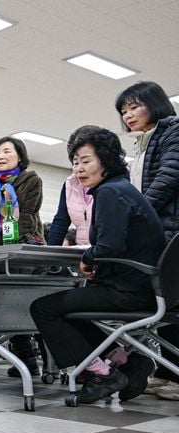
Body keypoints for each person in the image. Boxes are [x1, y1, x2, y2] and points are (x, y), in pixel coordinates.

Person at [31, 125, 164, 403]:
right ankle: (124, 361)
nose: (78, 169)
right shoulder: (121, 189)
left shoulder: (110, 193)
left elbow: (109, 246)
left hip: (128, 291)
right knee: (67, 308)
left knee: (43, 308)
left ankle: (101, 374)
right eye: (75, 162)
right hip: (145, 287)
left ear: (107, 160)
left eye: (86, 160)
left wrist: (87, 258)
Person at [115, 81, 179, 401]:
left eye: (134, 107)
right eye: (124, 111)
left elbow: (167, 180)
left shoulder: (173, 132)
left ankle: (168, 372)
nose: (128, 115)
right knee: (164, 306)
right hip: (153, 234)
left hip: (167, 232)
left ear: (154, 103)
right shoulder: (141, 143)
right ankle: (166, 372)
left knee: (168, 303)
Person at [0, 136, 44, 377]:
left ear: (20, 156)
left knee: (23, 303)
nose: (0, 156)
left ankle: (36, 361)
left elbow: (27, 216)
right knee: (6, 305)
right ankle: (24, 359)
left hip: (24, 250)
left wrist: (9, 219)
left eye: (6, 151)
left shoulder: (30, 179)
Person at [46, 174, 92, 246]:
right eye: (75, 164)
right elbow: (61, 222)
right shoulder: (70, 183)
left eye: (86, 162)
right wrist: (49, 253)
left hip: (108, 251)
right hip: (83, 250)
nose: (79, 168)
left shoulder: (110, 185)